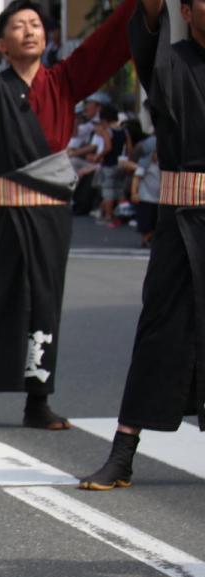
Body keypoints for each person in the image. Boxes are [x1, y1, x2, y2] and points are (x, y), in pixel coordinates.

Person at [0, 0, 138, 430]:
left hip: (51, 215)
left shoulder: (64, 81)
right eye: (18, 26)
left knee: (45, 305)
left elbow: (106, 43)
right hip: (4, 212)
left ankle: (38, 401)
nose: (29, 31)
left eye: (36, 24)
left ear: (48, 37)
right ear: (2, 44)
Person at [79, 0, 204, 490]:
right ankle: (123, 454)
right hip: (179, 223)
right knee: (159, 331)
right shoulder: (170, 62)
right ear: (187, 11)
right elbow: (149, 18)